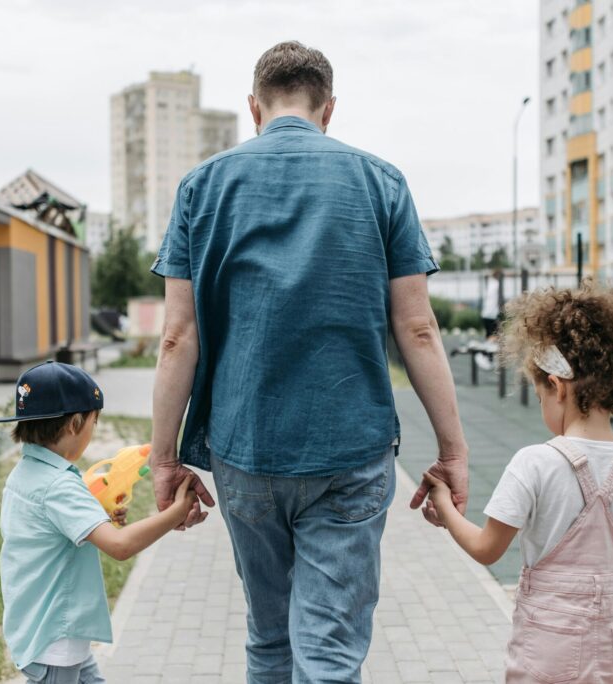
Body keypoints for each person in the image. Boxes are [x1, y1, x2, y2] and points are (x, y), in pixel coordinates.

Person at [149, 41, 468, 682]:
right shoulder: (382, 181)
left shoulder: (201, 187)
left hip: (245, 450)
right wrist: (452, 451)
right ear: (328, 110)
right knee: (329, 655)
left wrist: (164, 458)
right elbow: (418, 328)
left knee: (269, 640)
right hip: (351, 450)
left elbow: (178, 338)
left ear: (253, 108)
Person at [422, 285, 613, 683]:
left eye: (541, 396)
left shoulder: (535, 463)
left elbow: (487, 549)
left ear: (557, 387)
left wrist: (447, 509)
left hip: (549, 647)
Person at [0, 361, 198, 683]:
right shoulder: (58, 486)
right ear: (75, 423)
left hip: (39, 626)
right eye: (94, 422)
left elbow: (49, 523)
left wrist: (93, 510)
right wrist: (177, 511)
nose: (92, 430)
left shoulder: (25, 474)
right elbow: (120, 546)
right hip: (56, 639)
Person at [475, 268, 503, 370]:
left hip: (487, 314)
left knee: (491, 336)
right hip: (492, 314)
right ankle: (483, 353)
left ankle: (488, 357)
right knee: (495, 336)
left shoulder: (491, 284)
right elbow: (499, 300)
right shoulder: (497, 285)